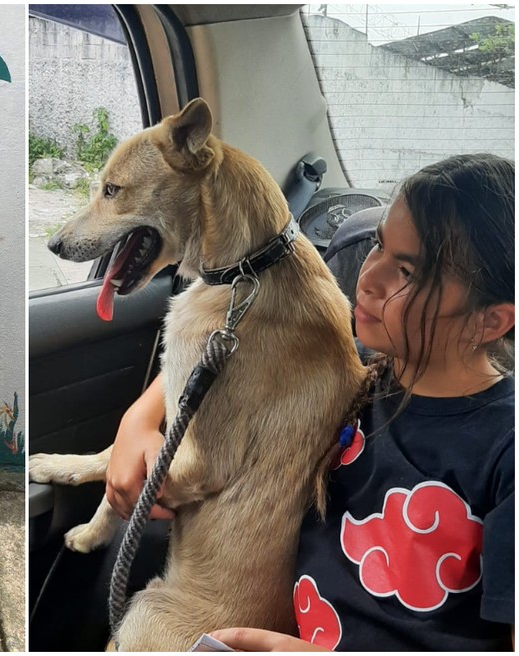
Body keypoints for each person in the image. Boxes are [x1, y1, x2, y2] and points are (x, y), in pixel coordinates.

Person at [78, 154, 514, 650]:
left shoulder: (504, 451)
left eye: (407, 271)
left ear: (490, 322)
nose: (369, 278)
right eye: (378, 246)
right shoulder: (360, 370)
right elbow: (219, 365)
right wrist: (138, 421)